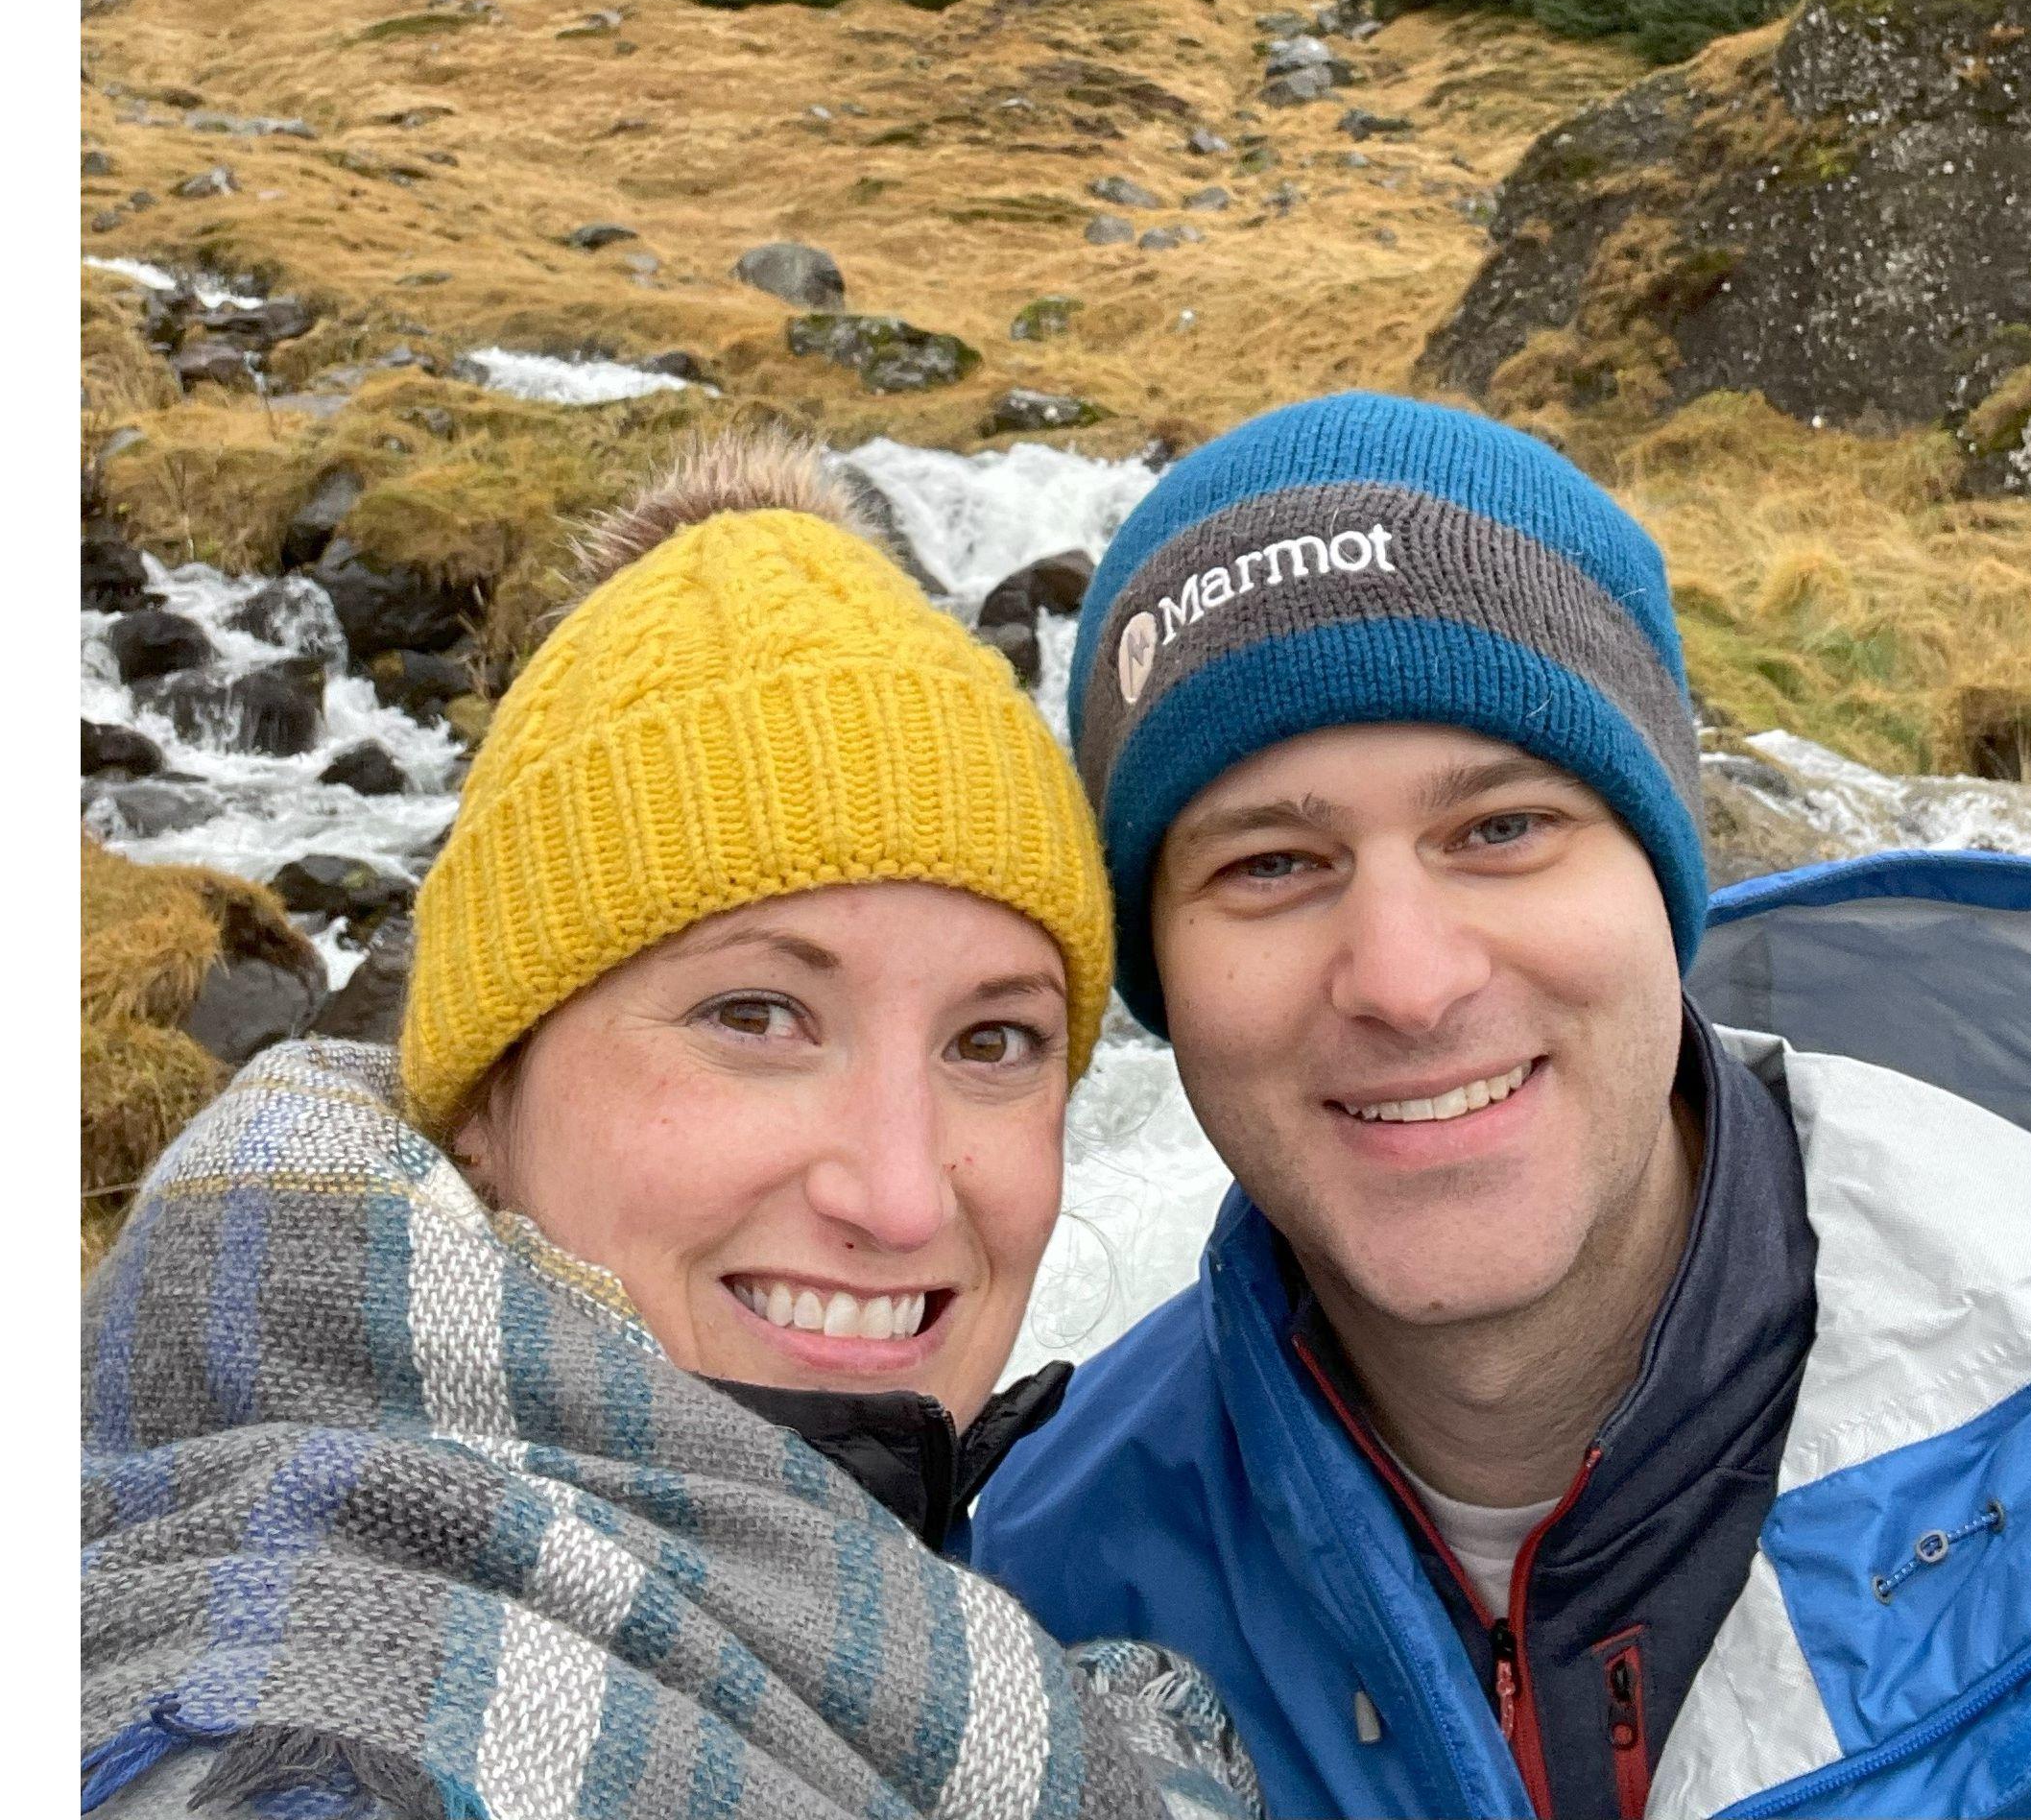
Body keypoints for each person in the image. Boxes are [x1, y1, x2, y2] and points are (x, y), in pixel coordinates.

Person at [970, 394, 2031, 1820]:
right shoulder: (1046, 1578)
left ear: (1668, 895)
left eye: (1503, 830)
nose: (1407, 983)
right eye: (1272, 866)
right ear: (1161, 974)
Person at [84, 424, 1257, 1820]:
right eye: (756, 1017)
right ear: (483, 1093)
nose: (896, 1196)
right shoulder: (300, 1744)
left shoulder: (942, 1639)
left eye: (992, 1040)